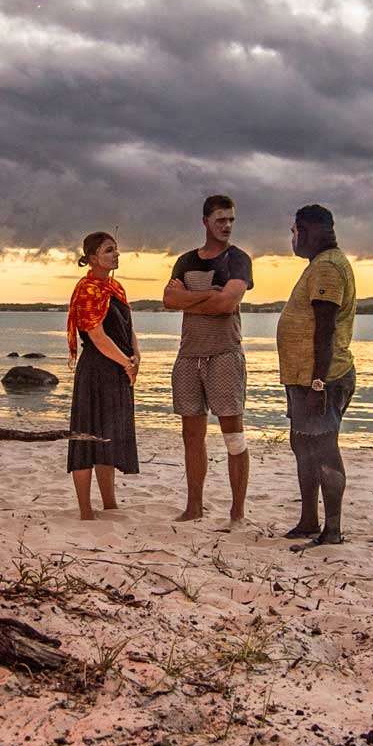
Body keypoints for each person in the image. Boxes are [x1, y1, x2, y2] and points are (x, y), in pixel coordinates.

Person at [162, 194, 253, 524]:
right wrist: (206, 295)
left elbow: (227, 305)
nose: (226, 225)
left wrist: (190, 300)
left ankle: (237, 511)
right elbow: (168, 299)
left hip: (225, 355)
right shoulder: (186, 261)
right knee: (191, 436)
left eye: (230, 220)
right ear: (205, 222)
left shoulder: (238, 260)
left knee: (233, 435)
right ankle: (194, 506)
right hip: (189, 356)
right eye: (220, 220)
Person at [276, 203, 357, 548]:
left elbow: (325, 329)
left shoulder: (327, 268)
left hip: (321, 379)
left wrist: (318, 383)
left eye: (295, 232)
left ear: (308, 231)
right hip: (303, 378)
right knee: (303, 445)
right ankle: (309, 520)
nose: (293, 239)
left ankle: (332, 530)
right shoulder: (319, 266)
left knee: (323, 449)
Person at [64, 231, 140, 519]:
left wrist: (136, 356)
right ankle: (86, 510)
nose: (116, 254)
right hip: (96, 370)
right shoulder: (87, 289)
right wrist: (126, 363)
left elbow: (127, 326)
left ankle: (110, 503)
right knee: (86, 438)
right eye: (109, 250)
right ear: (93, 258)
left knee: (108, 437)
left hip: (117, 369)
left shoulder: (115, 288)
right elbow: (96, 335)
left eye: (116, 250)